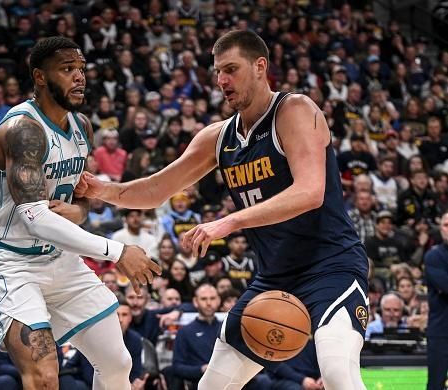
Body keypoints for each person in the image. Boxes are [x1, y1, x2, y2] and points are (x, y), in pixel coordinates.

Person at [76, 30, 369, 389]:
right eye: (217, 72)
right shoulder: (218, 137)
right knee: (212, 386)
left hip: (330, 267)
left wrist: (227, 222)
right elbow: (156, 189)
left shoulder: (295, 111)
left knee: (339, 372)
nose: (221, 81)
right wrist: (103, 189)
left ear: (260, 67)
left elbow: (310, 192)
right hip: (274, 278)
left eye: (231, 69)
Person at [0, 37, 161, 390]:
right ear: (40, 77)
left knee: (118, 363)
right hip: (10, 262)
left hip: (60, 260)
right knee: (44, 374)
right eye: (67, 69)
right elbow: (35, 217)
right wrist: (116, 252)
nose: (79, 78)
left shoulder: (82, 127)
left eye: (81, 69)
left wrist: (81, 209)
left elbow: (77, 199)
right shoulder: (23, 131)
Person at [424, 211, 448, 390]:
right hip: (441, 331)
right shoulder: (433, 256)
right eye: (446, 225)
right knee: (436, 383)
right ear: (441, 229)